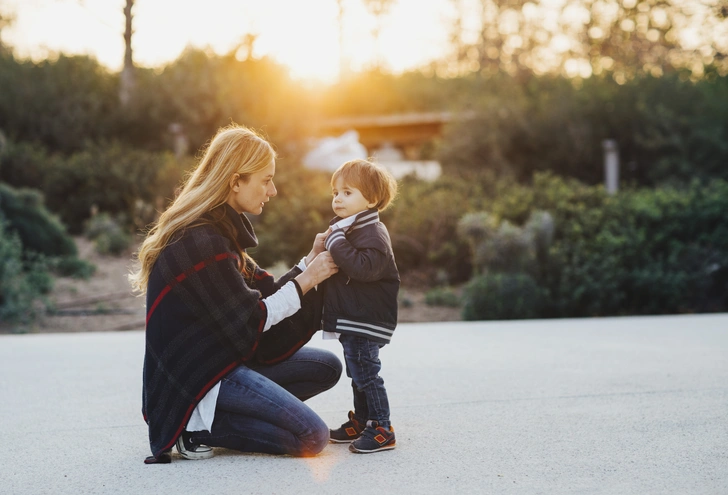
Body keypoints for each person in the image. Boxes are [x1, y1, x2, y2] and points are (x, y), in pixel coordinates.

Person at [129, 124, 341, 464]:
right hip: (200, 378)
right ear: (236, 181)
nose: (272, 190)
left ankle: (238, 416)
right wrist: (305, 281)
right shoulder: (200, 241)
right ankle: (194, 428)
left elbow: (262, 292)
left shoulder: (218, 230)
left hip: (222, 357)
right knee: (313, 437)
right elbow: (254, 316)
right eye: (265, 179)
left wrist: (308, 263)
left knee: (326, 366)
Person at [323, 159, 400, 454]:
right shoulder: (349, 230)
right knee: (357, 371)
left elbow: (363, 269)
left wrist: (336, 241)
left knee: (367, 372)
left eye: (347, 192)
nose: (338, 198)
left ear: (371, 199)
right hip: (354, 317)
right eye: (335, 192)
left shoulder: (372, 233)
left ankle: (382, 427)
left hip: (367, 318)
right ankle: (364, 419)